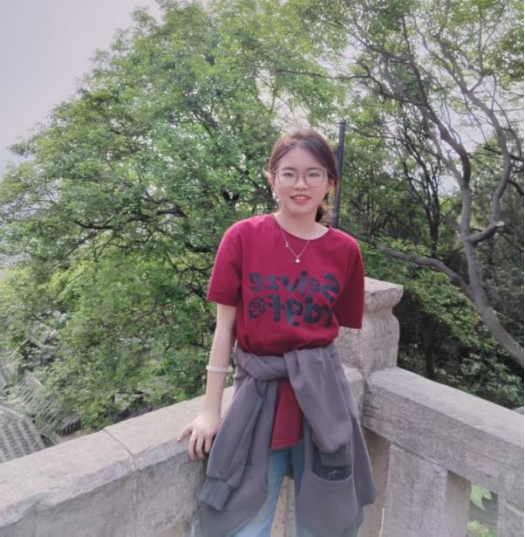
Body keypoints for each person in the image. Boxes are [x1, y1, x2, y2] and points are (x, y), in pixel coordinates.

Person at [177, 128, 367, 536]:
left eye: (313, 174)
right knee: (245, 522)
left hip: (322, 398)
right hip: (259, 399)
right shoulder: (242, 237)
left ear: (330, 183)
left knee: (324, 522)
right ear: (272, 179)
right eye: (289, 173)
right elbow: (225, 328)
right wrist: (211, 410)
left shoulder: (345, 251)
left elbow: (332, 334)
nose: (301, 185)